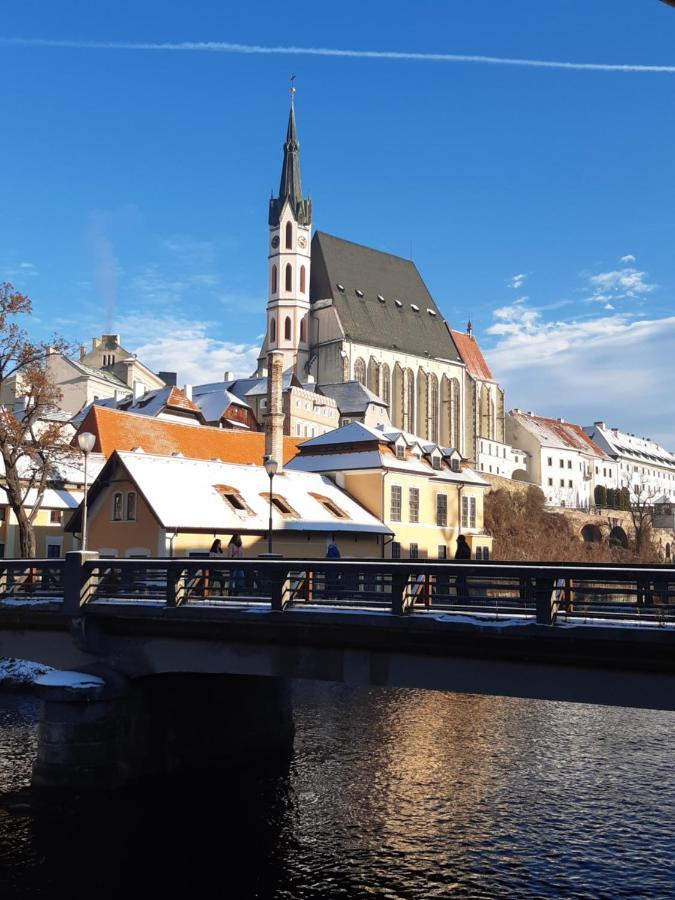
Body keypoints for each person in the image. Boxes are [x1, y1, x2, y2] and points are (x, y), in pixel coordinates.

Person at [227, 533, 245, 597]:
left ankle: (237, 592)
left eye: (239, 537)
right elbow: (229, 556)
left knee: (241, 578)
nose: (238, 538)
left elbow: (242, 556)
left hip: (240, 564)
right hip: (233, 564)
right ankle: (230, 592)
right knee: (232, 578)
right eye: (237, 537)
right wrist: (235, 553)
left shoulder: (240, 546)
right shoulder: (231, 545)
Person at [454, 534, 471, 602]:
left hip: (462, 569)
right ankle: (464, 599)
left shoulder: (462, 548)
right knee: (462, 583)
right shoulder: (465, 547)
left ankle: (462, 600)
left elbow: (459, 558)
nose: (457, 542)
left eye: (458, 540)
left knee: (460, 583)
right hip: (463, 569)